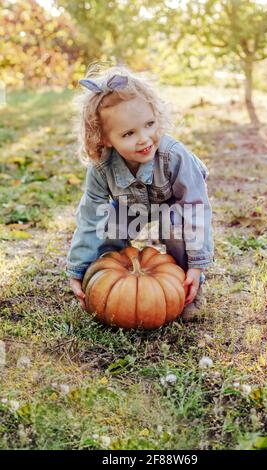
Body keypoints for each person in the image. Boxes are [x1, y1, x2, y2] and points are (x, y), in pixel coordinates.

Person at [66, 65, 214, 322]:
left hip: (173, 204)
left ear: (157, 116)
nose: (144, 138)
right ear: (106, 139)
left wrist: (197, 265)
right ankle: (107, 274)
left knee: (175, 224)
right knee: (108, 220)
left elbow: (195, 207)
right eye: (129, 133)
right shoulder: (102, 166)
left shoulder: (174, 156)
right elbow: (90, 216)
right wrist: (77, 269)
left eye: (149, 124)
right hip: (130, 205)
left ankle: (187, 285)